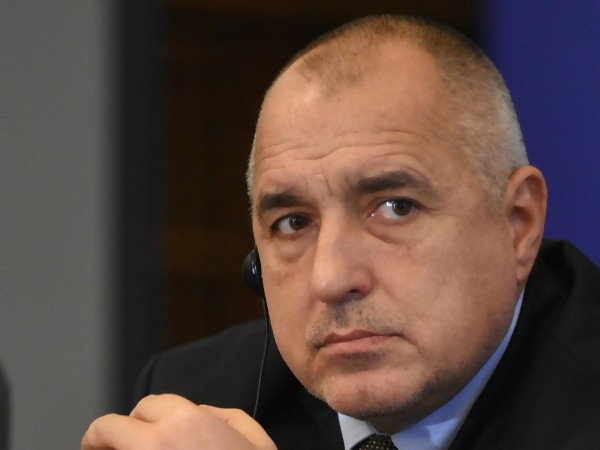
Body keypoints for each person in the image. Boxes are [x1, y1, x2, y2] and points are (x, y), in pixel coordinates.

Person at [82, 15, 600, 450]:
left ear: (518, 224)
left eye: (395, 208)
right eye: (294, 222)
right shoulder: (196, 400)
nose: (330, 279)